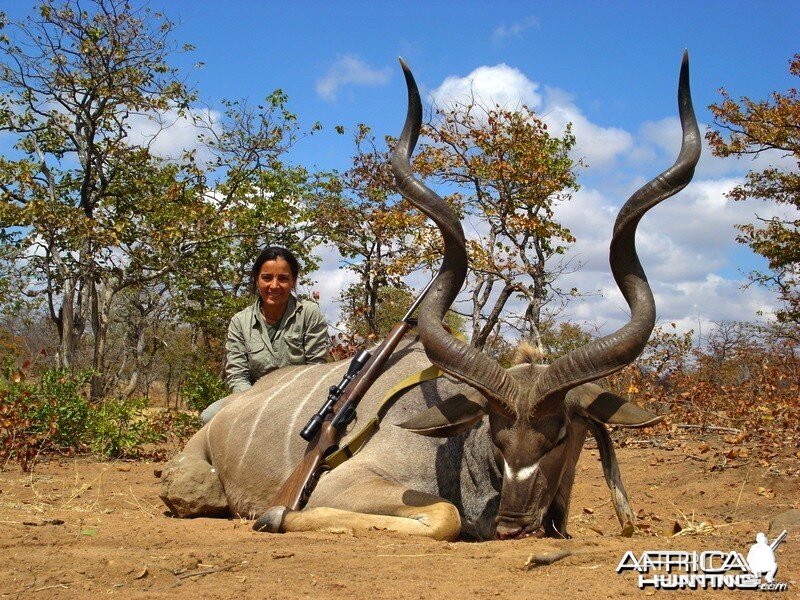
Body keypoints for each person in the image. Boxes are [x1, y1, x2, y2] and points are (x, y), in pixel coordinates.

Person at [201, 246, 329, 423]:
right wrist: (257, 405)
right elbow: (237, 376)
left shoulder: (309, 313)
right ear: (256, 279)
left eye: (283, 278)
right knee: (209, 416)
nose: (274, 286)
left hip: (300, 397)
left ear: (293, 281)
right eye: (267, 278)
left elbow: (316, 369)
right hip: (253, 400)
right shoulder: (240, 321)